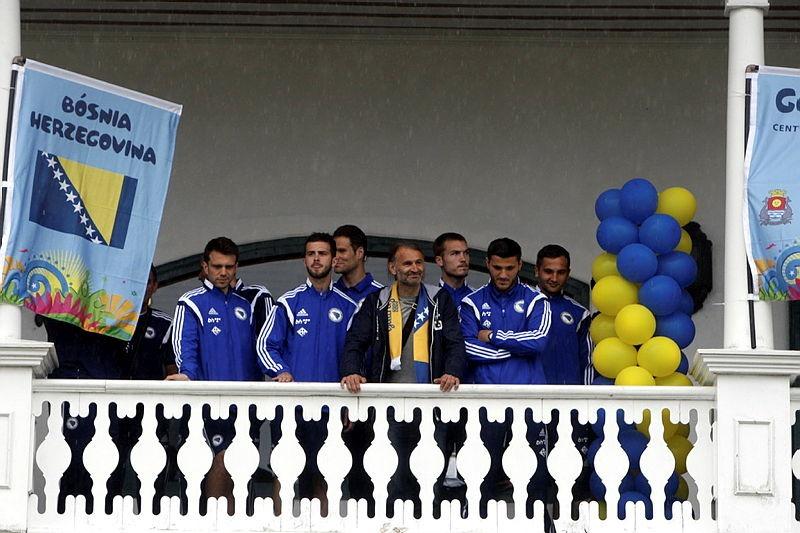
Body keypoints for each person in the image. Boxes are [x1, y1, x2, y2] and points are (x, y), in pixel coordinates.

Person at [340, 242, 464, 516]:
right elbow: (354, 343)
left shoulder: (439, 300)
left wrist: (452, 371)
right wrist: (351, 370)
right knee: (392, 472)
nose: (415, 269)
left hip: (432, 404)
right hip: (388, 406)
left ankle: (424, 523)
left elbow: (456, 344)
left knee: (430, 472)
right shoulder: (377, 301)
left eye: (419, 263)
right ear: (392, 267)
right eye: (407, 264)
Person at [256, 232, 358, 513]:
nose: (316, 259)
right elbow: (265, 345)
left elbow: (357, 358)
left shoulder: (349, 306)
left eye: (322, 253)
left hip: (331, 407)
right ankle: (278, 526)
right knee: (284, 473)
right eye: (311, 253)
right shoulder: (288, 302)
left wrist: (349, 403)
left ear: (333, 259)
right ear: (304, 259)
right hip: (291, 407)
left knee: (324, 475)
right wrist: (281, 371)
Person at [459, 237, 552, 517]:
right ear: (487, 263)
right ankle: (475, 523)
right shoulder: (471, 302)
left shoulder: (537, 300)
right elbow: (467, 347)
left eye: (509, 268)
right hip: (486, 401)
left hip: (530, 400)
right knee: (482, 472)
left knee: (534, 473)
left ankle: (536, 525)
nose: (502, 274)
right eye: (497, 267)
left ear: (519, 266)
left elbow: (538, 341)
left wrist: (496, 337)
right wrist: (511, 351)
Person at [168, 237, 262, 513]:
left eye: (229, 267)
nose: (223, 272)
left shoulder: (245, 305)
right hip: (209, 406)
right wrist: (187, 374)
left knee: (241, 471)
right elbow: (185, 347)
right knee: (219, 463)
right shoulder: (191, 302)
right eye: (218, 266)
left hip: (245, 406)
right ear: (205, 266)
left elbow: (257, 353)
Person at [535, 244, 594, 507]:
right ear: (537, 271)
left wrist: (588, 404)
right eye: (548, 271)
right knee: (534, 478)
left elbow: (589, 363)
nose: (554, 278)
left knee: (571, 479)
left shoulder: (580, 314)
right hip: (533, 406)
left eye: (560, 272)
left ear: (568, 273)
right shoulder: (524, 307)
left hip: (572, 408)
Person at [333, 224, 384, 304]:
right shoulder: (327, 292)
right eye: (333, 251)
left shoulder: (382, 295)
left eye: (342, 251)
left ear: (360, 253)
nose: (335, 256)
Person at [433, 232, 475, 307]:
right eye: (455, 253)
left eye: (466, 253)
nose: (463, 259)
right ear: (439, 260)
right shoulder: (429, 298)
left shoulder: (479, 298)